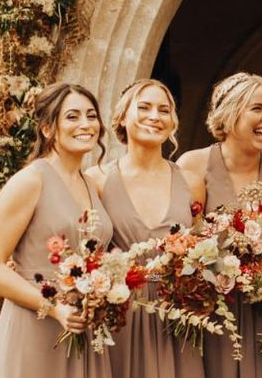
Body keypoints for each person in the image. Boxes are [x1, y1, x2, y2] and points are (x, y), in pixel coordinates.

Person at [0, 83, 113, 378]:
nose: (86, 124)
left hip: (83, 326)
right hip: (35, 325)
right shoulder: (30, 181)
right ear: (48, 129)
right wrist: (53, 309)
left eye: (91, 116)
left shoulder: (90, 183)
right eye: (73, 116)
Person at [86, 78, 205, 378]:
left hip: (177, 315)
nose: (155, 116)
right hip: (120, 315)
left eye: (164, 110)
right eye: (145, 107)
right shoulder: (96, 179)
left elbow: (203, 251)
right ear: (123, 117)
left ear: (173, 122)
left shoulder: (192, 182)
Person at [177, 72, 262, 378]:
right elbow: (183, 243)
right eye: (257, 109)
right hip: (218, 310)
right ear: (229, 113)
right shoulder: (193, 164)